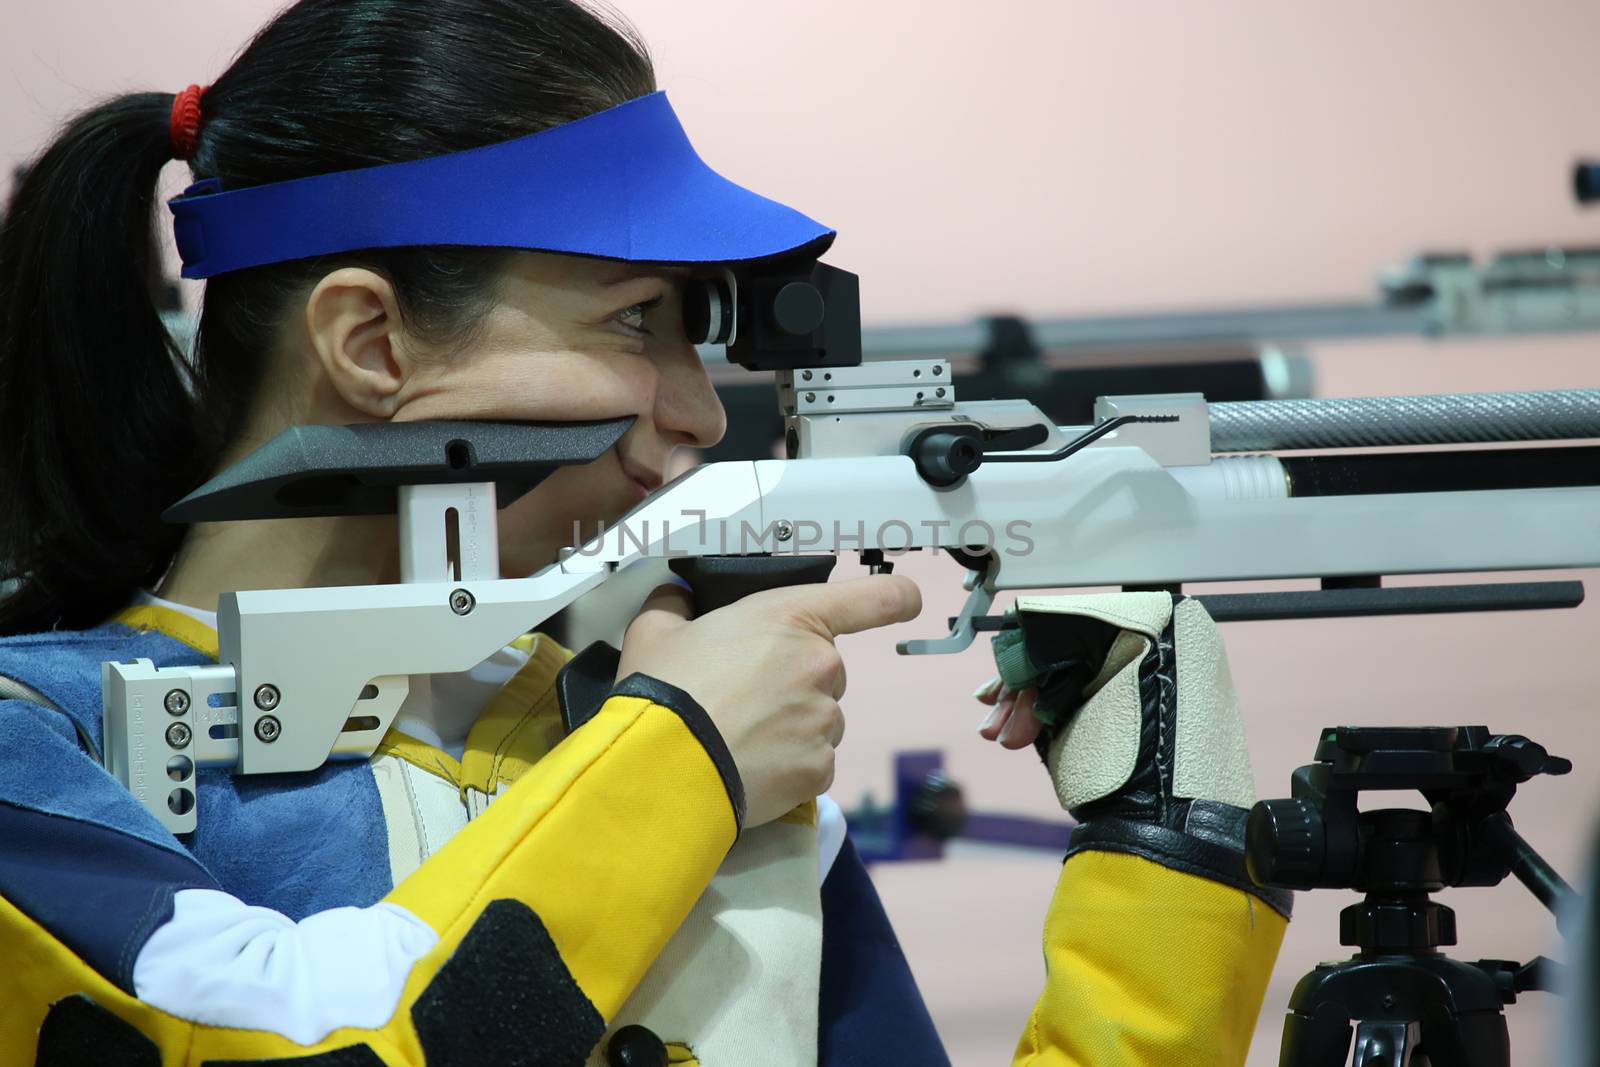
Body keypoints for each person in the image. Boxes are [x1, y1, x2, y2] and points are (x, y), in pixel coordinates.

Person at [0, 2, 1289, 1064]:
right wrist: (683, 759)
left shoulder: (666, 738)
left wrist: (1168, 852)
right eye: (635, 323)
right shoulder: (32, 743)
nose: (691, 416)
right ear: (372, 343)